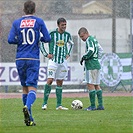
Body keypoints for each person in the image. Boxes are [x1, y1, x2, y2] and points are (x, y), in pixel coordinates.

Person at [8, 0, 51, 126]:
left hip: (20, 58)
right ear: (35, 10)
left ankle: (30, 119)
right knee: (32, 87)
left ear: (24, 9)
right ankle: (27, 106)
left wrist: (21, 42)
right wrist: (38, 39)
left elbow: (10, 40)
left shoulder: (17, 23)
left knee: (25, 88)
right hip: (33, 58)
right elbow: (47, 38)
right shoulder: (38, 22)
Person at [40, 17, 74, 110]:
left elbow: (71, 44)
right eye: (62, 25)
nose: (64, 26)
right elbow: (41, 42)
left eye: (65, 25)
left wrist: (68, 53)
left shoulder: (67, 35)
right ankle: (44, 103)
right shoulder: (51, 33)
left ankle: (59, 105)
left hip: (63, 62)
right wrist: (46, 54)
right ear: (58, 25)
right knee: (50, 80)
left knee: (60, 82)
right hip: (53, 61)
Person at [78, 27, 104, 111]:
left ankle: (92, 106)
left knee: (90, 84)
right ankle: (100, 105)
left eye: (82, 36)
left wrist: (84, 57)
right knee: (97, 85)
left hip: (91, 65)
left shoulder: (89, 40)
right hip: (96, 64)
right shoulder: (94, 39)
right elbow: (100, 49)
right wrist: (96, 58)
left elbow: (91, 50)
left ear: (86, 33)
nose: (82, 39)